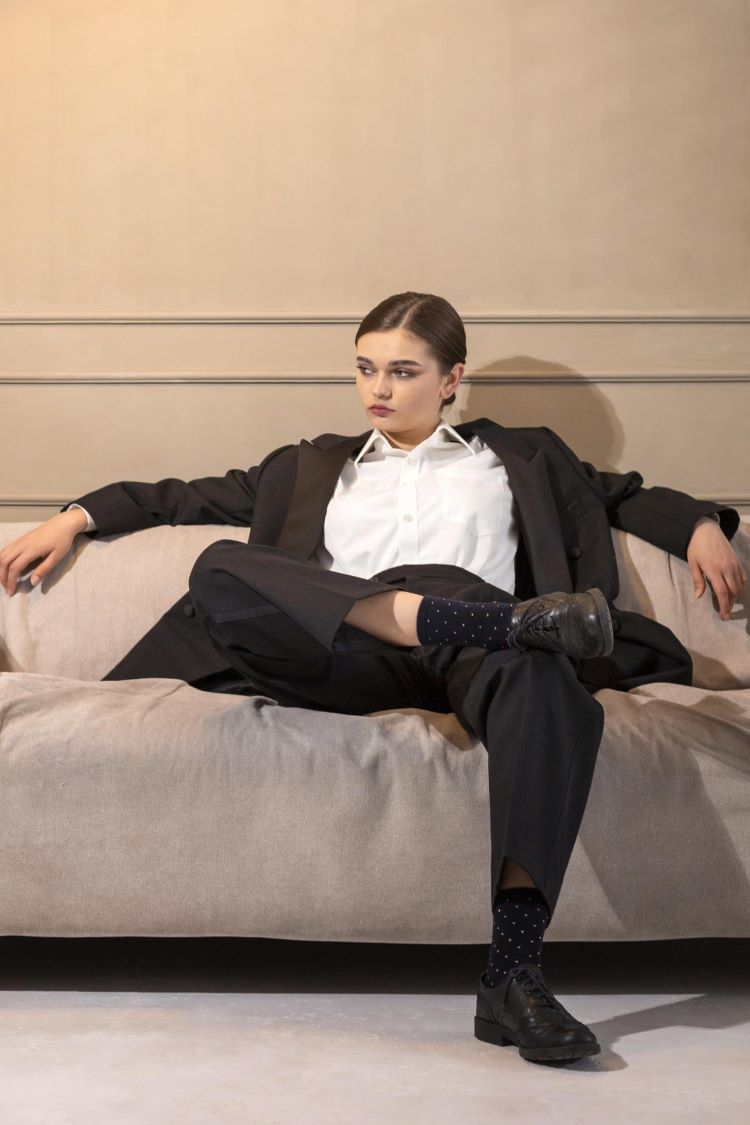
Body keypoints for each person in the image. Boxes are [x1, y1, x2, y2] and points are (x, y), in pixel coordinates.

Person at [0, 292, 745, 1066]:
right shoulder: (308, 465)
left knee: (542, 681)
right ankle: (515, 623)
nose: (377, 390)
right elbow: (177, 497)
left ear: (452, 377)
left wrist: (699, 526)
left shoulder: (519, 457)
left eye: (401, 370)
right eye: (364, 369)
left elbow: (623, 492)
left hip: (475, 658)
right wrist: (73, 517)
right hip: (343, 657)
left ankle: (514, 972)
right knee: (219, 566)